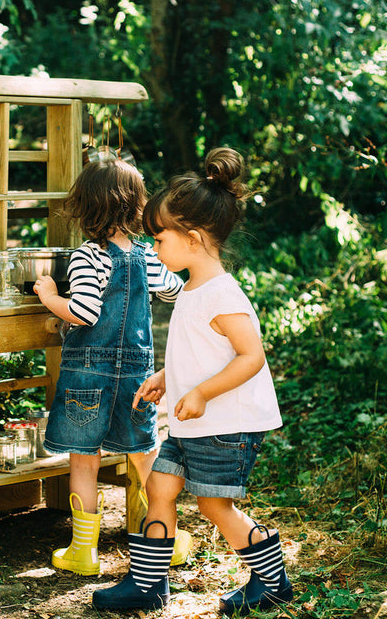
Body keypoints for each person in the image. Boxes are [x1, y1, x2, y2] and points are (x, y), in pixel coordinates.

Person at [92, 147, 293, 615]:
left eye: (159, 240)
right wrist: (168, 376)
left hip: (225, 425)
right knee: (159, 489)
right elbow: (202, 351)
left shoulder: (222, 294)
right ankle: (148, 586)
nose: (154, 249)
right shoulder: (194, 289)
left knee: (213, 507)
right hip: (191, 422)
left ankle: (273, 579)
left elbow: (251, 356)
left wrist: (200, 392)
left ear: (194, 238)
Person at [33, 157, 191, 578]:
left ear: (86, 208)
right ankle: (166, 540)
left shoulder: (88, 256)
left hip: (88, 375)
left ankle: (83, 553)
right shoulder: (147, 255)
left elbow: (82, 312)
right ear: (135, 207)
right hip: (137, 375)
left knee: (84, 460)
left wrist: (49, 295)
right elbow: (176, 289)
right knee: (145, 454)